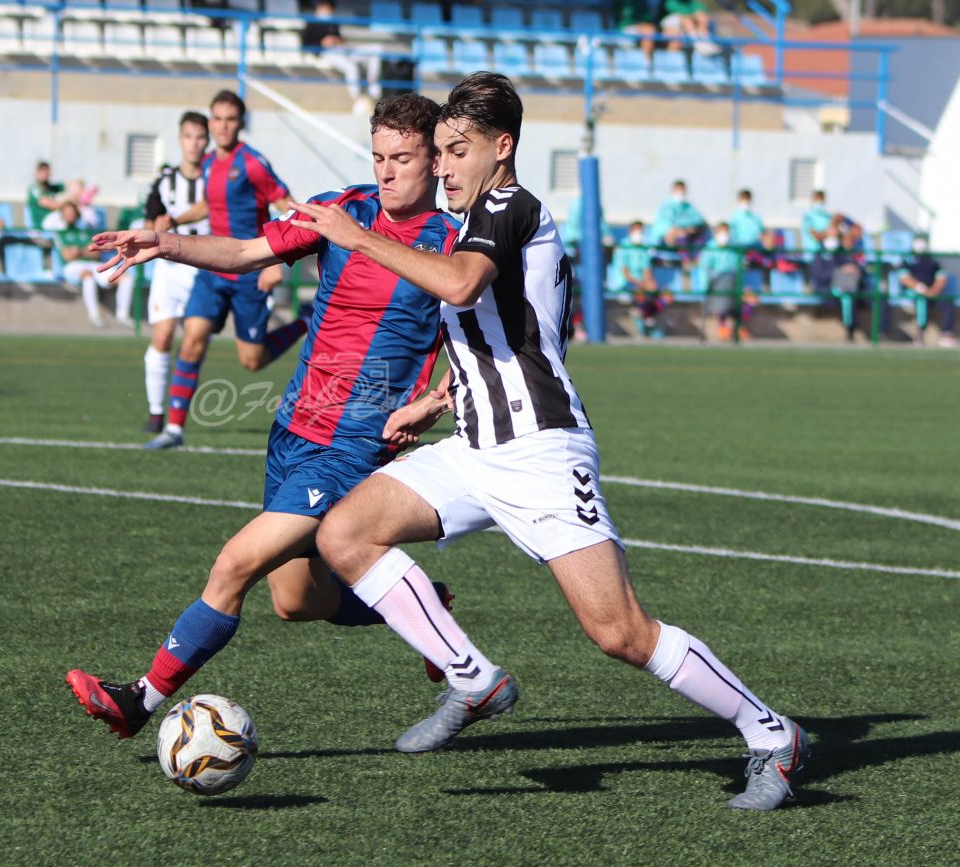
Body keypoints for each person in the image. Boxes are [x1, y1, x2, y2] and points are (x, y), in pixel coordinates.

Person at [293, 72, 807, 812]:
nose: (442, 166)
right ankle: (472, 678)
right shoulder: (473, 216)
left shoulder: (510, 204)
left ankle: (771, 735)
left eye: (457, 150)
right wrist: (438, 397)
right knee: (346, 533)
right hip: (474, 446)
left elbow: (463, 287)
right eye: (437, 151)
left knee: (621, 633)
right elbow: (497, 326)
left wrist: (357, 236)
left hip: (541, 450)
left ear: (503, 149)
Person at [66, 92, 460, 738]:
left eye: (404, 159)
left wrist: (435, 398)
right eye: (379, 157)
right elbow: (248, 253)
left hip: (353, 448)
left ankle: (137, 699)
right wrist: (163, 243)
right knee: (297, 600)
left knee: (233, 565)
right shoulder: (343, 210)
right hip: (291, 435)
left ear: (435, 160)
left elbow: (482, 345)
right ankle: (428, 607)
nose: (388, 172)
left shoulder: (449, 247)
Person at [143, 89, 306, 450]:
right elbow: (209, 203)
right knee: (192, 341)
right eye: (216, 118)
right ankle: (173, 428)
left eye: (230, 119)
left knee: (252, 360)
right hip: (212, 271)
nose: (222, 126)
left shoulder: (252, 163)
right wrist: (176, 220)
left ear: (241, 124)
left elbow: (287, 206)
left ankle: (304, 321)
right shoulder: (207, 163)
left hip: (249, 270)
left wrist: (278, 258)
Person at [139, 110, 211, 433]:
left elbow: (213, 206)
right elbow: (150, 220)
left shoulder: (216, 175)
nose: (194, 145)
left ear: (206, 141)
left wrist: (177, 219)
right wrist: (156, 224)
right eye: (188, 137)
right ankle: (156, 413)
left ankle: (176, 417)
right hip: (170, 268)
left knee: (192, 341)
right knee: (163, 335)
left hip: (204, 267)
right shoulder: (165, 181)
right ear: (180, 140)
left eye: (199, 138)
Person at [57, 201, 134, 328]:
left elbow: (96, 254)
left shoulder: (86, 232)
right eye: (67, 213)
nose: (70, 216)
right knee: (88, 277)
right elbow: (68, 256)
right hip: (73, 266)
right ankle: (94, 316)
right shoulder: (60, 232)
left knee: (126, 278)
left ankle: (122, 315)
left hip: (93, 264)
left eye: (72, 213)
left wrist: (79, 250)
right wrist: (84, 251)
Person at [301, 0, 381, 115]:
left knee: (375, 50)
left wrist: (336, 40)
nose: (327, 10)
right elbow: (306, 46)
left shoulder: (333, 22)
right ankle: (357, 99)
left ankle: (373, 89)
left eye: (329, 8)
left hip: (342, 50)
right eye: (324, 7)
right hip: (327, 53)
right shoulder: (311, 24)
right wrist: (322, 43)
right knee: (352, 67)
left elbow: (340, 39)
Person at [608, 220, 668, 338]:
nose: (639, 234)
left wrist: (650, 282)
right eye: (636, 231)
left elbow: (647, 270)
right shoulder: (622, 247)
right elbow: (626, 275)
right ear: (630, 232)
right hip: (625, 283)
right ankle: (646, 321)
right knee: (641, 294)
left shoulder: (644, 247)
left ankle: (648, 319)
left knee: (666, 295)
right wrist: (642, 284)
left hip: (641, 284)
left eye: (641, 231)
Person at [698, 221, 753, 340]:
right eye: (721, 232)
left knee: (751, 298)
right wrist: (705, 287)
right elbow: (704, 269)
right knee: (724, 295)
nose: (724, 235)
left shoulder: (734, 247)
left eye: (726, 232)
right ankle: (723, 326)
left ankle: (737, 326)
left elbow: (741, 266)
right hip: (717, 282)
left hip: (734, 282)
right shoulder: (710, 248)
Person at [898, 235, 956, 347]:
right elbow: (905, 278)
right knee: (921, 300)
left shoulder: (932, 260)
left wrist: (934, 290)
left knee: (947, 301)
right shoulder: (908, 258)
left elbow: (941, 277)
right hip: (915, 291)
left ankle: (946, 334)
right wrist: (921, 289)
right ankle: (920, 333)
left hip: (932, 291)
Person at [653, 179, 706, 252]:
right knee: (680, 235)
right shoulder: (667, 205)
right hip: (667, 236)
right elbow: (670, 223)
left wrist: (689, 227)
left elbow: (698, 219)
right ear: (673, 190)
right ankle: (685, 260)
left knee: (699, 236)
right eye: (678, 190)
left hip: (686, 232)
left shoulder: (687, 205)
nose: (680, 192)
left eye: (682, 190)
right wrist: (686, 227)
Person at [800, 190, 831, 259]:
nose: (819, 201)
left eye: (820, 199)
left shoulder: (827, 216)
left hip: (824, 257)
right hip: (812, 256)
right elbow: (815, 235)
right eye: (817, 198)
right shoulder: (808, 216)